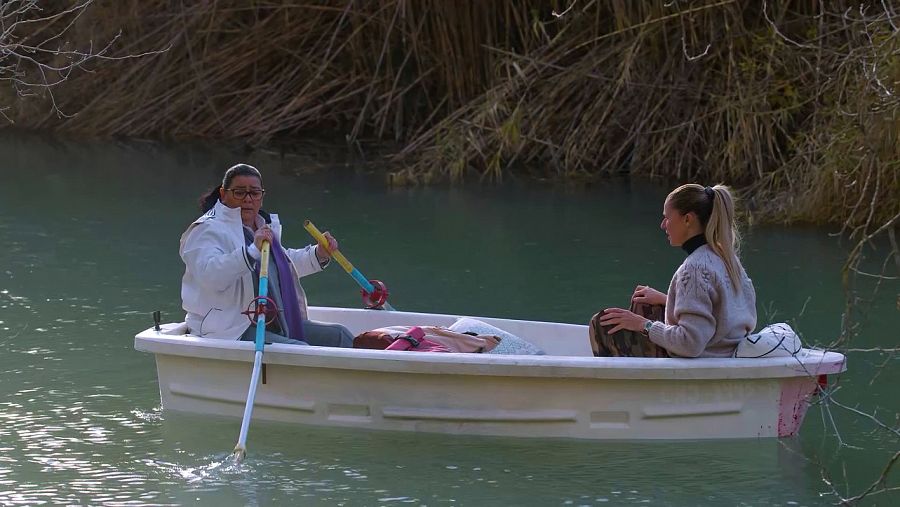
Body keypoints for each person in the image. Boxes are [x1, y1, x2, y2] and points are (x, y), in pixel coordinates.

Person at [180, 163, 354, 347]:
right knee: (300, 350)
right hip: (228, 329)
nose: (248, 199)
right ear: (223, 194)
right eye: (239, 192)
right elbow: (211, 275)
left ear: (262, 197)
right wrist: (252, 251)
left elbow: (279, 265)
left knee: (340, 336)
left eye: (254, 193)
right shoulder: (205, 229)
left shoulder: (263, 225)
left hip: (272, 320)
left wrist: (318, 254)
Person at [591, 184, 757, 358]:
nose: (663, 225)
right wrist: (667, 299)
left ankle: (619, 383)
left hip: (704, 360)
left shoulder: (694, 268)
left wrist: (643, 324)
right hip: (724, 351)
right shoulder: (726, 259)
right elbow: (723, 313)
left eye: (667, 218)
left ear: (687, 220)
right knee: (644, 304)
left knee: (602, 324)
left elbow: (690, 345)